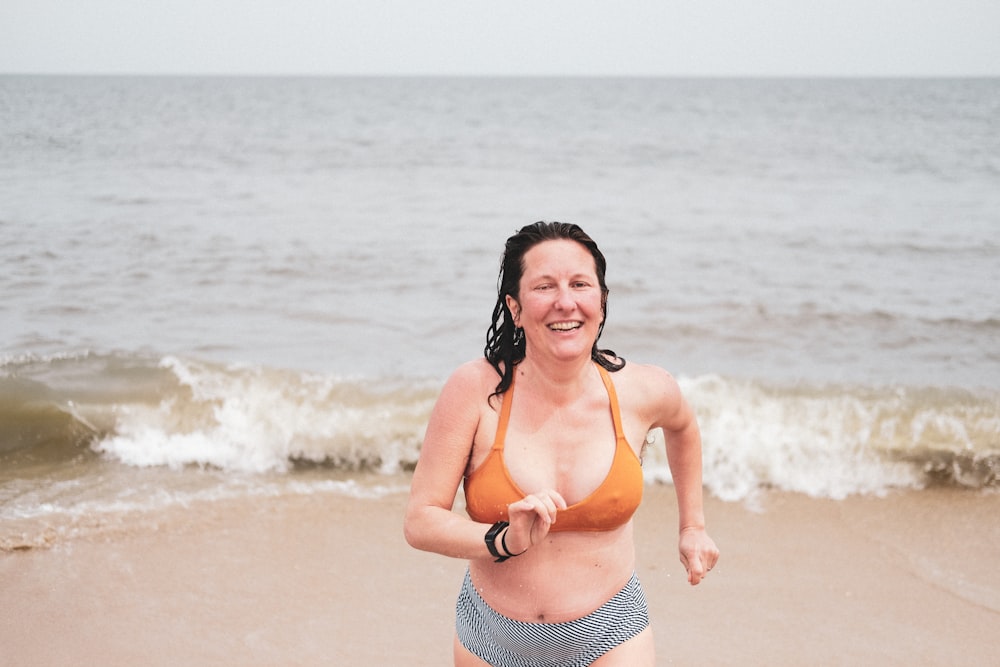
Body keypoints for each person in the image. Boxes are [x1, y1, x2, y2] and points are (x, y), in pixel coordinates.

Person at [404, 221, 719, 666]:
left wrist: (693, 527)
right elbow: (421, 520)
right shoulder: (474, 390)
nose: (564, 302)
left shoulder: (642, 390)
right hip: (493, 634)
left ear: (602, 302)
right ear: (515, 307)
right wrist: (502, 540)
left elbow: (683, 427)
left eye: (579, 284)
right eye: (544, 286)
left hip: (611, 630)